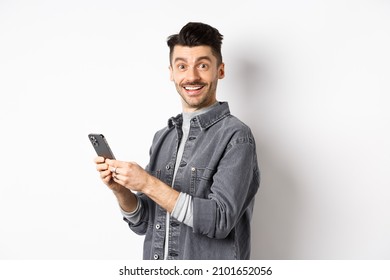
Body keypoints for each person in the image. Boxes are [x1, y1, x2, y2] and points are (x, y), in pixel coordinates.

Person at [94, 22, 260, 260]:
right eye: (182, 66)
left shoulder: (236, 137)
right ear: (171, 72)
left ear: (220, 71)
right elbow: (144, 223)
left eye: (202, 65)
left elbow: (220, 221)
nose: (191, 76)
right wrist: (121, 190)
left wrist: (147, 183)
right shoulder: (164, 136)